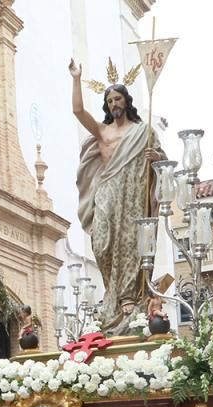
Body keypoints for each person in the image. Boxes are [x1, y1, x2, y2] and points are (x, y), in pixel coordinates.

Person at [69, 58, 165, 333]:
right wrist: (76, 78)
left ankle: (126, 298)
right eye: (110, 101)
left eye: (117, 99)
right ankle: (112, 290)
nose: (114, 104)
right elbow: (78, 111)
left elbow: (162, 162)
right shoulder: (102, 131)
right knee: (102, 242)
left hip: (134, 192)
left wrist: (155, 156)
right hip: (108, 189)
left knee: (130, 242)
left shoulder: (142, 131)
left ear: (126, 101)